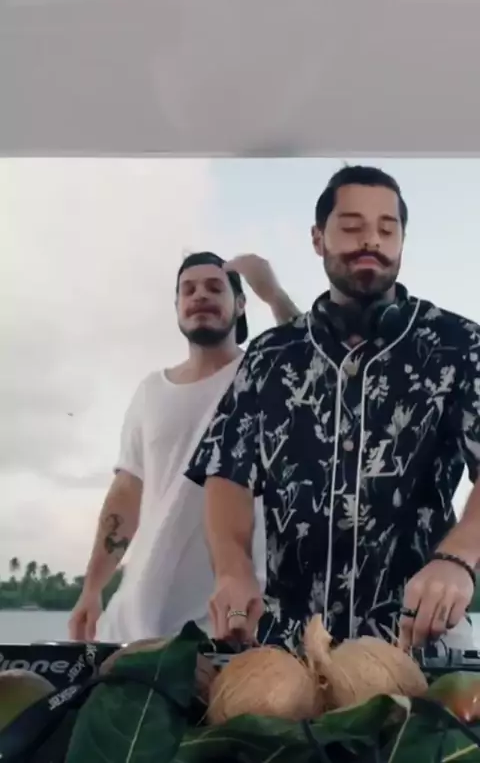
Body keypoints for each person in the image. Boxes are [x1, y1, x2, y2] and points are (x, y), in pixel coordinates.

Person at [186, 165, 480, 653]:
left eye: (387, 229)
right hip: (287, 648)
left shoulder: (459, 344)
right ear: (318, 238)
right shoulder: (269, 355)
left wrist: (459, 557)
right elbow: (226, 474)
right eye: (352, 226)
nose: (372, 240)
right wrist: (233, 570)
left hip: (421, 643)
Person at [68, 251, 299, 643]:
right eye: (188, 290)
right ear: (177, 306)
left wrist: (274, 294)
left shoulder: (264, 377)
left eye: (214, 288)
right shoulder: (150, 391)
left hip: (228, 622)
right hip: (133, 626)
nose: (200, 296)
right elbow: (126, 495)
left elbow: (310, 361)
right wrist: (92, 589)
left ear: (241, 304)